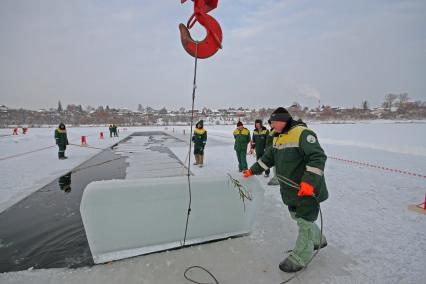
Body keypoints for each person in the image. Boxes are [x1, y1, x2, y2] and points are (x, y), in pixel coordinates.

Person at [244, 107, 328, 273]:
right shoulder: (278, 137)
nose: (271, 126)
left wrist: (309, 183)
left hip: (306, 190)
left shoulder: (302, 133)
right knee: (296, 215)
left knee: (304, 221)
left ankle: (301, 256)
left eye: (273, 122)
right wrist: (252, 170)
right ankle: (318, 239)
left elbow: (318, 157)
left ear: (282, 120)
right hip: (290, 190)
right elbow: (268, 157)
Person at [266, 119, 280, 186]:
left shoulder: (276, 131)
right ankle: (275, 177)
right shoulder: (272, 130)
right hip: (271, 150)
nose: (271, 125)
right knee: (274, 165)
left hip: (275, 150)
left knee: (276, 166)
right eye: (270, 124)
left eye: (272, 123)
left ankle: (277, 179)